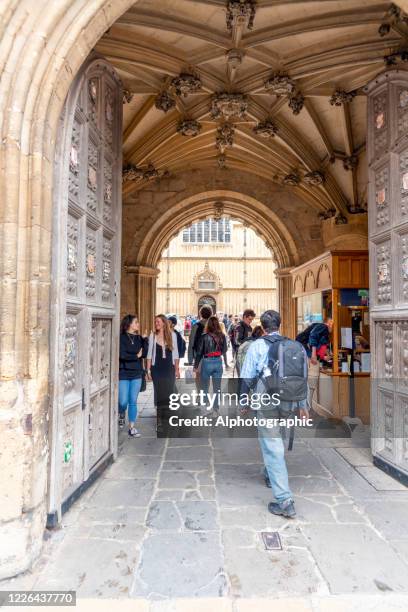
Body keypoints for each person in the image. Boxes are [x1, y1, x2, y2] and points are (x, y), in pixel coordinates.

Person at [240, 310, 309, 519]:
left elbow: (247, 376)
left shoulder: (257, 346)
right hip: (289, 400)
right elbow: (302, 377)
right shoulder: (295, 346)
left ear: (262, 326)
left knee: (272, 445)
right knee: (276, 439)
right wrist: (303, 405)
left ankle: (284, 500)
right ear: (280, 324)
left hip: (266, 400)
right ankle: (270, 473)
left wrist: (244, 402)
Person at [147, 314, 180, 434]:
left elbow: (175, 354)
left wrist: (177, 369)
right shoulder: (153, 335)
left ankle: (169, 417)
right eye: (155, 322)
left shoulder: (173, 335)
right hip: (157, 368)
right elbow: (149, 355)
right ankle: (159, 421)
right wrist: (148, 370)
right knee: (159, 393)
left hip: (169, 368)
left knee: (169, 392)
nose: (156, 324)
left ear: (164, 323)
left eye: (158, 322)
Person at [119, 314, 148, 437]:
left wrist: (145, 340)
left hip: (136, 373)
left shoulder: (139, 338)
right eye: (136, 322)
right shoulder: (121, 338)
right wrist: (136, 356)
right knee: (123, 401)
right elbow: (122, 356)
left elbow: (144, 354)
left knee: (133, 401)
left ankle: (132, 427)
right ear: (129, 324)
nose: (138, 324)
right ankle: (121, 412)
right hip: (123, 373)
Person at [193, 315, 227, 414]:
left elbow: (199, 353)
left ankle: (206, 407)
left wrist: (195, 366)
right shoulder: (222, 336)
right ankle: (216, 408)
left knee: (204, 386)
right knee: (217, 387)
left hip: (207, 362)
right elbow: (224, 350)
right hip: (218, 362)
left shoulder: (204, 336)